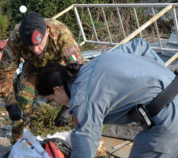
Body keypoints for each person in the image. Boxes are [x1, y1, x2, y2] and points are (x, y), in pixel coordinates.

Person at [35, 38, 178, 158]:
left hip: (168, 123)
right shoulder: (95, 62)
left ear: (57, 89)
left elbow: (85, 143)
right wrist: (166, 81)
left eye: (53, 99)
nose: (58, 104)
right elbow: (140, 45)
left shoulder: (82, 98)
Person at [0, 12, 85, 145]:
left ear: (47, 32)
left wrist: (67, 108)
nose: (35, 50)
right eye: (30, 46)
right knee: (22, 103)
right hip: (33, 67)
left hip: (57, 68)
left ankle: (80, 143)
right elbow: (4, 73)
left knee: (75, 105)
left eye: (39, 44)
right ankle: (19, 145)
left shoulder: (61, 34)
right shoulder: (16, 37)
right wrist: (11, 104)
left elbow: (77, 72)